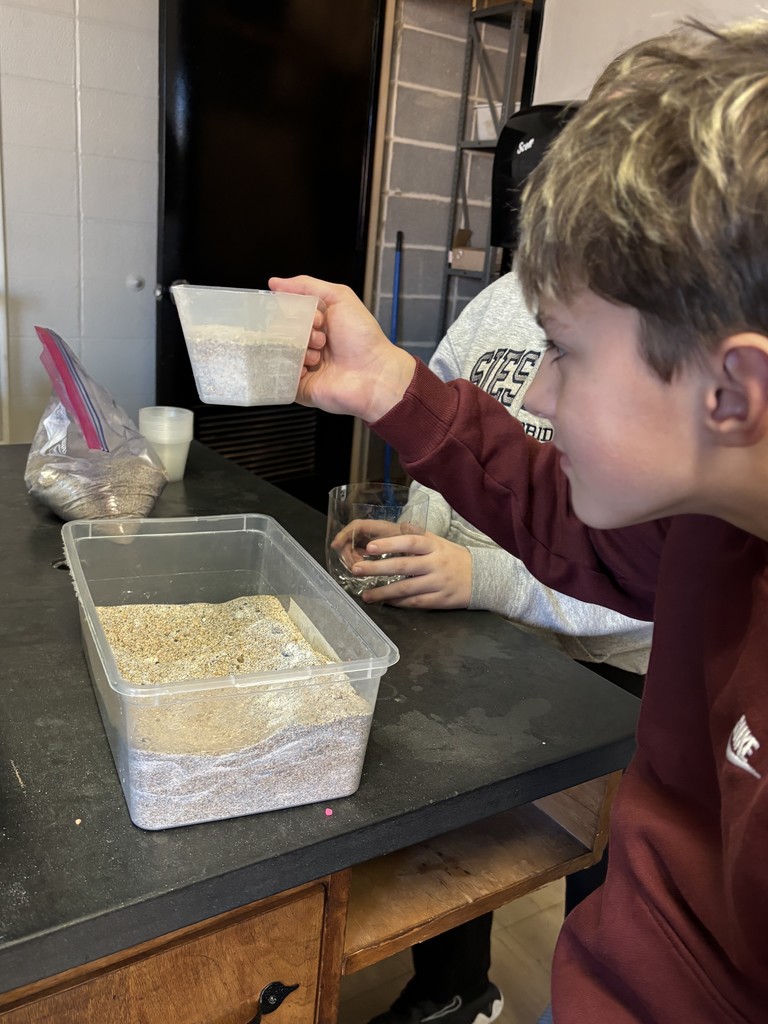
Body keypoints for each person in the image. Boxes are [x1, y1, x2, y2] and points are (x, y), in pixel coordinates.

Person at [274, 18, 768, 1022]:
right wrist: (392, 387)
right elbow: (569, 521)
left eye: (569, 352)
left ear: (735, 390)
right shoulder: (718, 516)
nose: (539, 387)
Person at [357, 269, 652, 1024]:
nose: (535, 399)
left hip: (613, 669)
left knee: (612, 876)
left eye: (568, 357)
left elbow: (632, 571)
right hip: (496, 628)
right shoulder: (499, 298)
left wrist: (483, 575)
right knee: (451, 802)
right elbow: (474, 445)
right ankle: (454, 992)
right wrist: (426, 540)